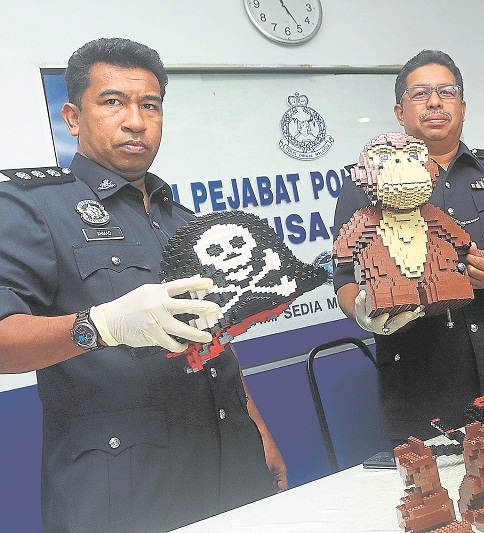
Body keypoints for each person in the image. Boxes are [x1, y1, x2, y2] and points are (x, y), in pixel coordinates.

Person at [0, 38, 286, 532]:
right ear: (73, 116)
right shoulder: (32, 209)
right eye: (112, 102)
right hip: (124, 485)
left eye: (149, 104)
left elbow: (215, 342)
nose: (135, 120)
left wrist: (257, 427)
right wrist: (101, 325)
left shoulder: (185, 222)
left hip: (229, 457)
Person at [332, 50, 484, 442]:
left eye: (446, 92)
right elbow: (343, 274)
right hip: (424, 375)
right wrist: (364, 312)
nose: (435, 102)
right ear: (400, 112)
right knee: (441, 488)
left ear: (463, 106)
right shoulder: (364, 187)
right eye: (420, 94)